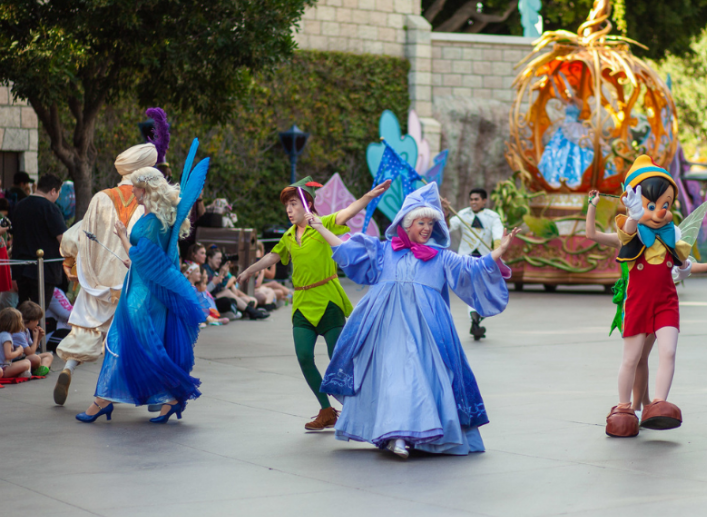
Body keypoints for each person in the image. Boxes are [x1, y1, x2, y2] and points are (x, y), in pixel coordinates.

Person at [319, 182, 516, 458]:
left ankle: (412, 435)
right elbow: (348, 250)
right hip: (387, 327)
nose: (426, 228)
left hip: (428, 333)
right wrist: (320, 228)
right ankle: (394, 434)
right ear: (407, 223)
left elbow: (472, 267)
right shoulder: (385, 251)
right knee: (393, 377)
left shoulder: (440, 257)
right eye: (421, 222)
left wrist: (499, 251)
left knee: (420, 379)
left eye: (430, 223)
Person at [237, 176, 391, 431]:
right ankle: (326, 409)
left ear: (307, 204)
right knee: (304, 356)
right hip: (303, 303)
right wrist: (248, 271)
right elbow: (272, 256)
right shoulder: (288, 235)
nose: (288, 209)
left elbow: (349, 212)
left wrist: (369, 196)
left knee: (337, 357)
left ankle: (356, 407)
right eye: (286, 205)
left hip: (328, 299)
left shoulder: (322, 224)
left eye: (294, 203)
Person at [76, 145, 210, 424]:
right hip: (145, 286)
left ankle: (103, 401)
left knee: (124, 342)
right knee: (143, 344)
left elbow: (143, 254)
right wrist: (134, 262)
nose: (133, 192)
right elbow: (160, 258)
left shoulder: (150, 222)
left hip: (142, 294)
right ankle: (168, 399)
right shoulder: (162, 218)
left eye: (136, 187)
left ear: (147, 190)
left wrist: (124, 237)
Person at [584, 183, 707, 436]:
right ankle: (628, 407)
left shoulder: (672, 240)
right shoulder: (630, 236)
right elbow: (594, 234)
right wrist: (593, 207)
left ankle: (655, 404)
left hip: (666, 302)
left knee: (665, 352)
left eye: (665, 206)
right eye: (652, 205)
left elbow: (686, 267)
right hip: (638, 303)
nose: (660, 212)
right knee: (633, 358)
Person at [54, 143, 158, 405]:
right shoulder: (148, 199)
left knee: (86, 330)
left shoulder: (101, 197)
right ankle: (153, 394)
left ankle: (68, 369)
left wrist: (71, 255)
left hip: (96, 280)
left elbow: (78, 233)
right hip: (131, 279)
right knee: (137, 337)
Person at [443, 187, 505, 340]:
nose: (473, 202)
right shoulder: (462, 215)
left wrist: (497, 250)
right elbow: (448, 227)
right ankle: (475, 319)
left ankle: (476, 318)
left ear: (484, 200)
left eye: (476, 199)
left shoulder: (493, 217)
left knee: (485, 292)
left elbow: (498, 235)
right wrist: (446, 213)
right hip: (466, 259)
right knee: (472, 290)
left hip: (485, 259)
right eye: (471, 199)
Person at [10, 173, 67, 310]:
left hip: (21, 266)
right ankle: (35, 332)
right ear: (53, 190)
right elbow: (63, 239)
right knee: (38, 311)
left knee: (23, 308)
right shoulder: (50, 208)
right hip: (43, 270)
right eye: (58, 192)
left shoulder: (19, 206)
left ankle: (20, 332)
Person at [12, 301, 53, 375]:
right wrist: (36, 338)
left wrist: (39, 338)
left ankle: (40, 369)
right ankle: (36, 369)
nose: (37, 323)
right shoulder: (18, 333)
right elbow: (30, 353)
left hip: (24, 358)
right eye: (37, 320)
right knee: (35, 358)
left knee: (49, 355)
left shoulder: (26, 330)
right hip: (14, 361)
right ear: (31, 321)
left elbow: (32, 349)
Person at [0, 307, 32, 379]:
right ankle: (23, 374)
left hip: (4, 366)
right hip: (3, 368)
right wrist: (18, 351)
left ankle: (23, 373)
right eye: (20, 322)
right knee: (27, 363)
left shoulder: (3, 334)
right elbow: (8, 355)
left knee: (27, 361)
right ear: (14, 324)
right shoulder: (6, 336)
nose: (22, 324)